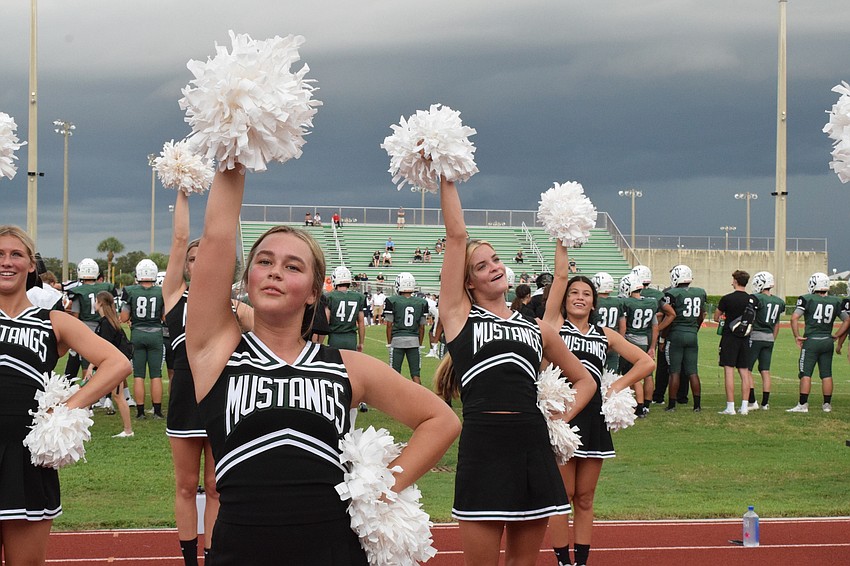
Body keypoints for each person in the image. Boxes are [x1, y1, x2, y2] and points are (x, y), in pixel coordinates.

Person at [185, 167, 459, 565]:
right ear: (246, 278)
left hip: (333, 552)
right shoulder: (216, 352)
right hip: (239, 553)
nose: (276, 270)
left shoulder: (347, 366)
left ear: (315, 291)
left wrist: (379, 491)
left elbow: (442, 420)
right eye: (264, 261)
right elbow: (217, 235)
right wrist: (236, 144)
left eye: (293, 266)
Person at [433, 176, 596, 566]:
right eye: (481, 266)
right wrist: (446, 174)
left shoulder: (536, 328)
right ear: (467, 282)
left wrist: (561, 417)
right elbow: (457, 235)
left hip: (531, 446)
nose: (493, 268)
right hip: (484, 447)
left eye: (495, 260)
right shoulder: (458, 317)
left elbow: (586, 380)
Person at [0, 225, 130, 565]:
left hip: (25, 460)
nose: (7, 262)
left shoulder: (52, 320)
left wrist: (66, 408)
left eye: (16, 254)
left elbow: (117, 363)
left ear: (31, 265)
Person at [544, 241, 654, 566]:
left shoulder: (604, 334)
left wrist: (616, 386)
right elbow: (561, 275)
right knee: (561, 496)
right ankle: (563, 560)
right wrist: (562, 243)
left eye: (586, 294)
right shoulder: (553, 328)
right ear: (565, 300)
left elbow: (645, 362)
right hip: (562, 417)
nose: (580, 297)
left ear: (594, 302)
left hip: (594, 419)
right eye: (574, 293)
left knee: (585, 497)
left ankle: (581, 561)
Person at [161, 191, 221, 565]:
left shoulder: (232, 304)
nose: (198, 264)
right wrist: (183, 189)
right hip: (184, 397)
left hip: (219, 399)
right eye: (192, 260)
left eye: (205, 258)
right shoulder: (173, 296)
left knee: (216, 488)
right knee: (186, 486)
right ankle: (188, 561)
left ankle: (213, 556)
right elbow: (181, 239)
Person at [787, 272, 846, 413]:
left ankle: (803, 404)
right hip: (827, 340)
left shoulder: (807, 299)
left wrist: (797, 336)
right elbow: (847, 319)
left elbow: (794, 318)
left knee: (805, 373)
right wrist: (836, 335)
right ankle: (826, 405)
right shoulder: (836, 301)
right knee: (826, 373)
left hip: (811, 340)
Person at [83, 291, 133, 438]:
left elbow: (104, 349)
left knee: (117, 396)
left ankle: (128, 430)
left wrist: (91, 367)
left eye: (96, 301)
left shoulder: (106, 324)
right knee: (93, 390)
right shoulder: (107, 322)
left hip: (115, 364)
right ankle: (83, 424)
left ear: (99, 303)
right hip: (115, 362)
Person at [657, 265, 706, 412]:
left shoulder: (671, 293)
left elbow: (668, 318)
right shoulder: (700, 292)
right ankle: (697, 406)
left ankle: (672, 405)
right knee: (692, 371)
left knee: (674, 371)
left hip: (676, 334)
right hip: (692, 334)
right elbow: (701, 315)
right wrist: (694, 329)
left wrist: (662, 337)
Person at [121, 259, 165, 419]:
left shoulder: (131, 291)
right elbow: (165, 317)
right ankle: (157, 412)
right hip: (155, 335)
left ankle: (140, 412)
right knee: (156, 375)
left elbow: (124, 317)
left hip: (137, 334)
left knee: (138, 375)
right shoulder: (161, 291)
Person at [714, 270, 756, 415]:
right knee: (745, 372)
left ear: (736, 281)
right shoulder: (752, 299)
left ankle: (730, 407)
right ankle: (744, 407)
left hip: (729, 338)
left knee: (729, 371)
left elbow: (716, 317)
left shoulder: (727, 299)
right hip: (745, 338)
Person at [66, 258, 116, 379]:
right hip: (104, 328)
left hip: (85, 329)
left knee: (86, 363)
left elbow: (76, 316)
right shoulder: (106, 287)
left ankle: (90, 393)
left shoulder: (78, 291)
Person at [618, 274, 659, 417]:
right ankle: (643, 405)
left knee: (631, 376)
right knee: (644, 375)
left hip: (630, 341)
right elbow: (655, 327)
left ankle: (638, 406)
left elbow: (623, 325)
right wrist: (652, 346)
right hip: (644, 342)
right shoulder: (651, 302)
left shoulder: (627, 303)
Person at [747, 271, 784, 410]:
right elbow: (777, 324)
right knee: (765, 370)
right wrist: (772, 338)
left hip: (756, 335)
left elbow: (751, 317)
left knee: (747, 369)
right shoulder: (778, 301)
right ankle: (765, 403)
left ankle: (752, 401)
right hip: (769, 338)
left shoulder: (757, 298)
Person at [384, 273, 428, 384]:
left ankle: (395, 399)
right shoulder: (421, 302)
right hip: (414, 340)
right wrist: (419, 342)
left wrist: (389, 343)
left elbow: (389, 325)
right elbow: (422, 327)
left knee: (394, 374)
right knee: (416, 375)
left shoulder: (392, 300)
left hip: (397, 340)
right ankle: (419, 399)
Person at [325, 266, 366, 352]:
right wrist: (361, 343)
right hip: (351, 339)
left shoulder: (329, 297)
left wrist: (319, 342)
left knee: (334, 364)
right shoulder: (358, 297)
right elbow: (361, 323)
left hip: (335, 338)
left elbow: (326, 321)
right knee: (350, 365)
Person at [590, 272, 625, 373]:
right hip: (613, 341)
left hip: (596, 341)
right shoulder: (618, 302)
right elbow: (623, 326)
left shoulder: (594, 301)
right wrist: (620, 342)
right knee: (611, 377)